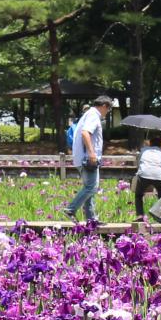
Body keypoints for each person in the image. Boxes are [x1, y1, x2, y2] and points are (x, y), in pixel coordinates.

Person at [65, 95, 114, 226]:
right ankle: (71, 209)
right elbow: (85, 133)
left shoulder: (89, 114)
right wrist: (92, 153)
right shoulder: (93, 115)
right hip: (88, 158)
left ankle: (91, 219)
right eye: (108, 109)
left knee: (89, 189)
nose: (107, 112)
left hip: (82, 157)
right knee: (91, 187)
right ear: (104, 106)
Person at [133, 135, 161, 220]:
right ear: (160, 145)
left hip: (144, 173)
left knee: (139, 195)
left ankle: (140, 215)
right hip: (158, 174)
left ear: (150, 144)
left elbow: (139, 162)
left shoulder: (144, 150)